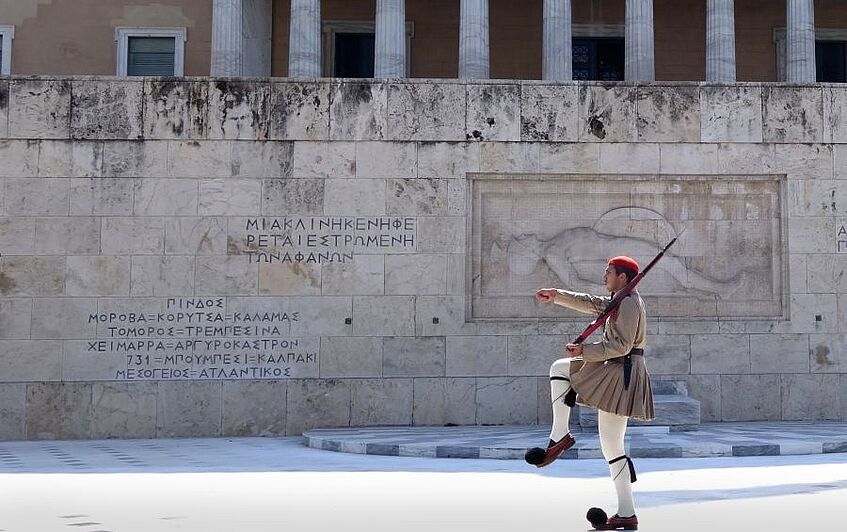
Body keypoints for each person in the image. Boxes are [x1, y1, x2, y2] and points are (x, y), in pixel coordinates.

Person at [531, 256, 654, 531]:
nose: (604, 276)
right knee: (612, 447)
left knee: (561, 369)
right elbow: (590, 302)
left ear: (623, 277)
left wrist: (584, 351)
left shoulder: (631, 303)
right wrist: (556, 295)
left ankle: (560, 436)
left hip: (621, 372)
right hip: (616, 370)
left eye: (608, 272)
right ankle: (626, 513)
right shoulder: (619, 300)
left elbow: (622, 346)